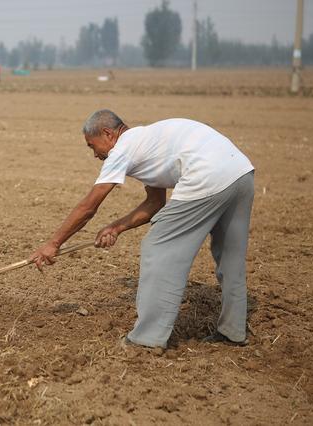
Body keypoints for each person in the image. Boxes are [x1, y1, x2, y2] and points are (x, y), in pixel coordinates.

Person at [29, 110, 255, 349]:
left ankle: (147, 338)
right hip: (241, 173)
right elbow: (155, 203)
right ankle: (233, 331)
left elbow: (89, 206)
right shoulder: (147, 142)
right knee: (230, 257)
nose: (95, 155)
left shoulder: (122, 149)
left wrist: (54, 243)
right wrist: (116, 228)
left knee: (158, 247)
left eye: (92, 146)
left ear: (108, 134)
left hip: (206, 175)